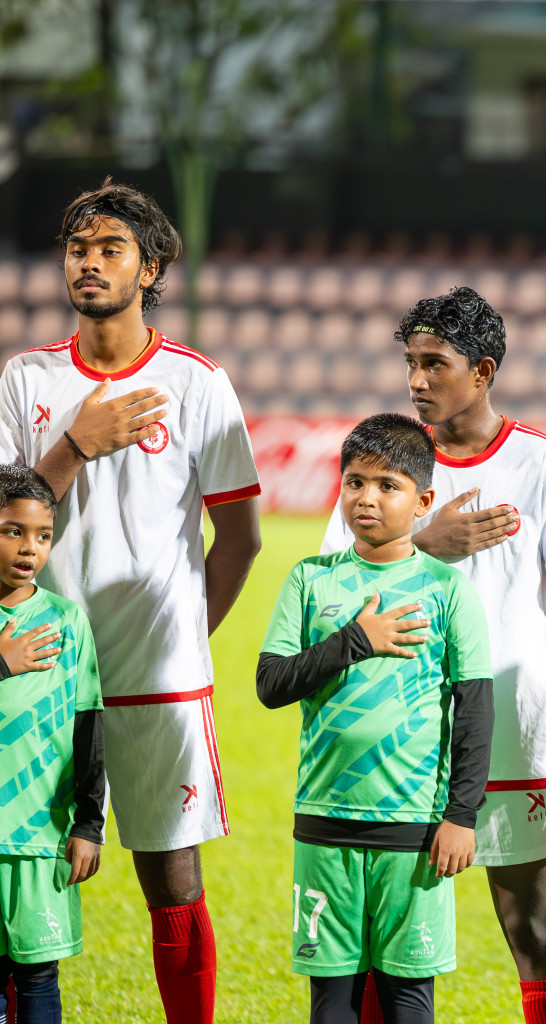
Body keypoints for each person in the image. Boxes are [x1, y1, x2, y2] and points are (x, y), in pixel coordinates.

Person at [0, 179, 261, 1024]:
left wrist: (187, 635)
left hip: (159, 677)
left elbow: (242, 537)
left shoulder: (197, 384)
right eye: (78, 248)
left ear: (149, 268)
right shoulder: (26, 379)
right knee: (15, 866)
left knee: (173, 881)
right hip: (37, 672)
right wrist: (75, 446)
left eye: (110, 248)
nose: (89, 262)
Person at [320, 288, 546, 1024]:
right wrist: (423, 543)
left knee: (529, 924)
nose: (415, 380)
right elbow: (329, 582)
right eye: (410, 363)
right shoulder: (386, 459)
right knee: (383, 932)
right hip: (397, 728)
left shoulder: (542, 463)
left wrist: (520, 659)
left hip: (508, 725)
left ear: (483, 370)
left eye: (434, 363)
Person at [258, 414, 493, 1024]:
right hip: (325, 819)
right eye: (355, 481)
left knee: (408, 999)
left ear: (424, 500)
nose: (367, 498)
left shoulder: (447, 591)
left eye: (388, 485)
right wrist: (352, 641)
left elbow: (474, 712)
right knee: (330, 999)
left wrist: (461, 816)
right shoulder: (311, 579)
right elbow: (270, 685)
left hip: (414, 828)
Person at [0, 466, 105, 1024]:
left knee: (39, 978)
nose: (30, 548)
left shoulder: (67, 622)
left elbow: (89, 726)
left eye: (43, 535)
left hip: (41, 835)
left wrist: (89, 824)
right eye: (13, 530)